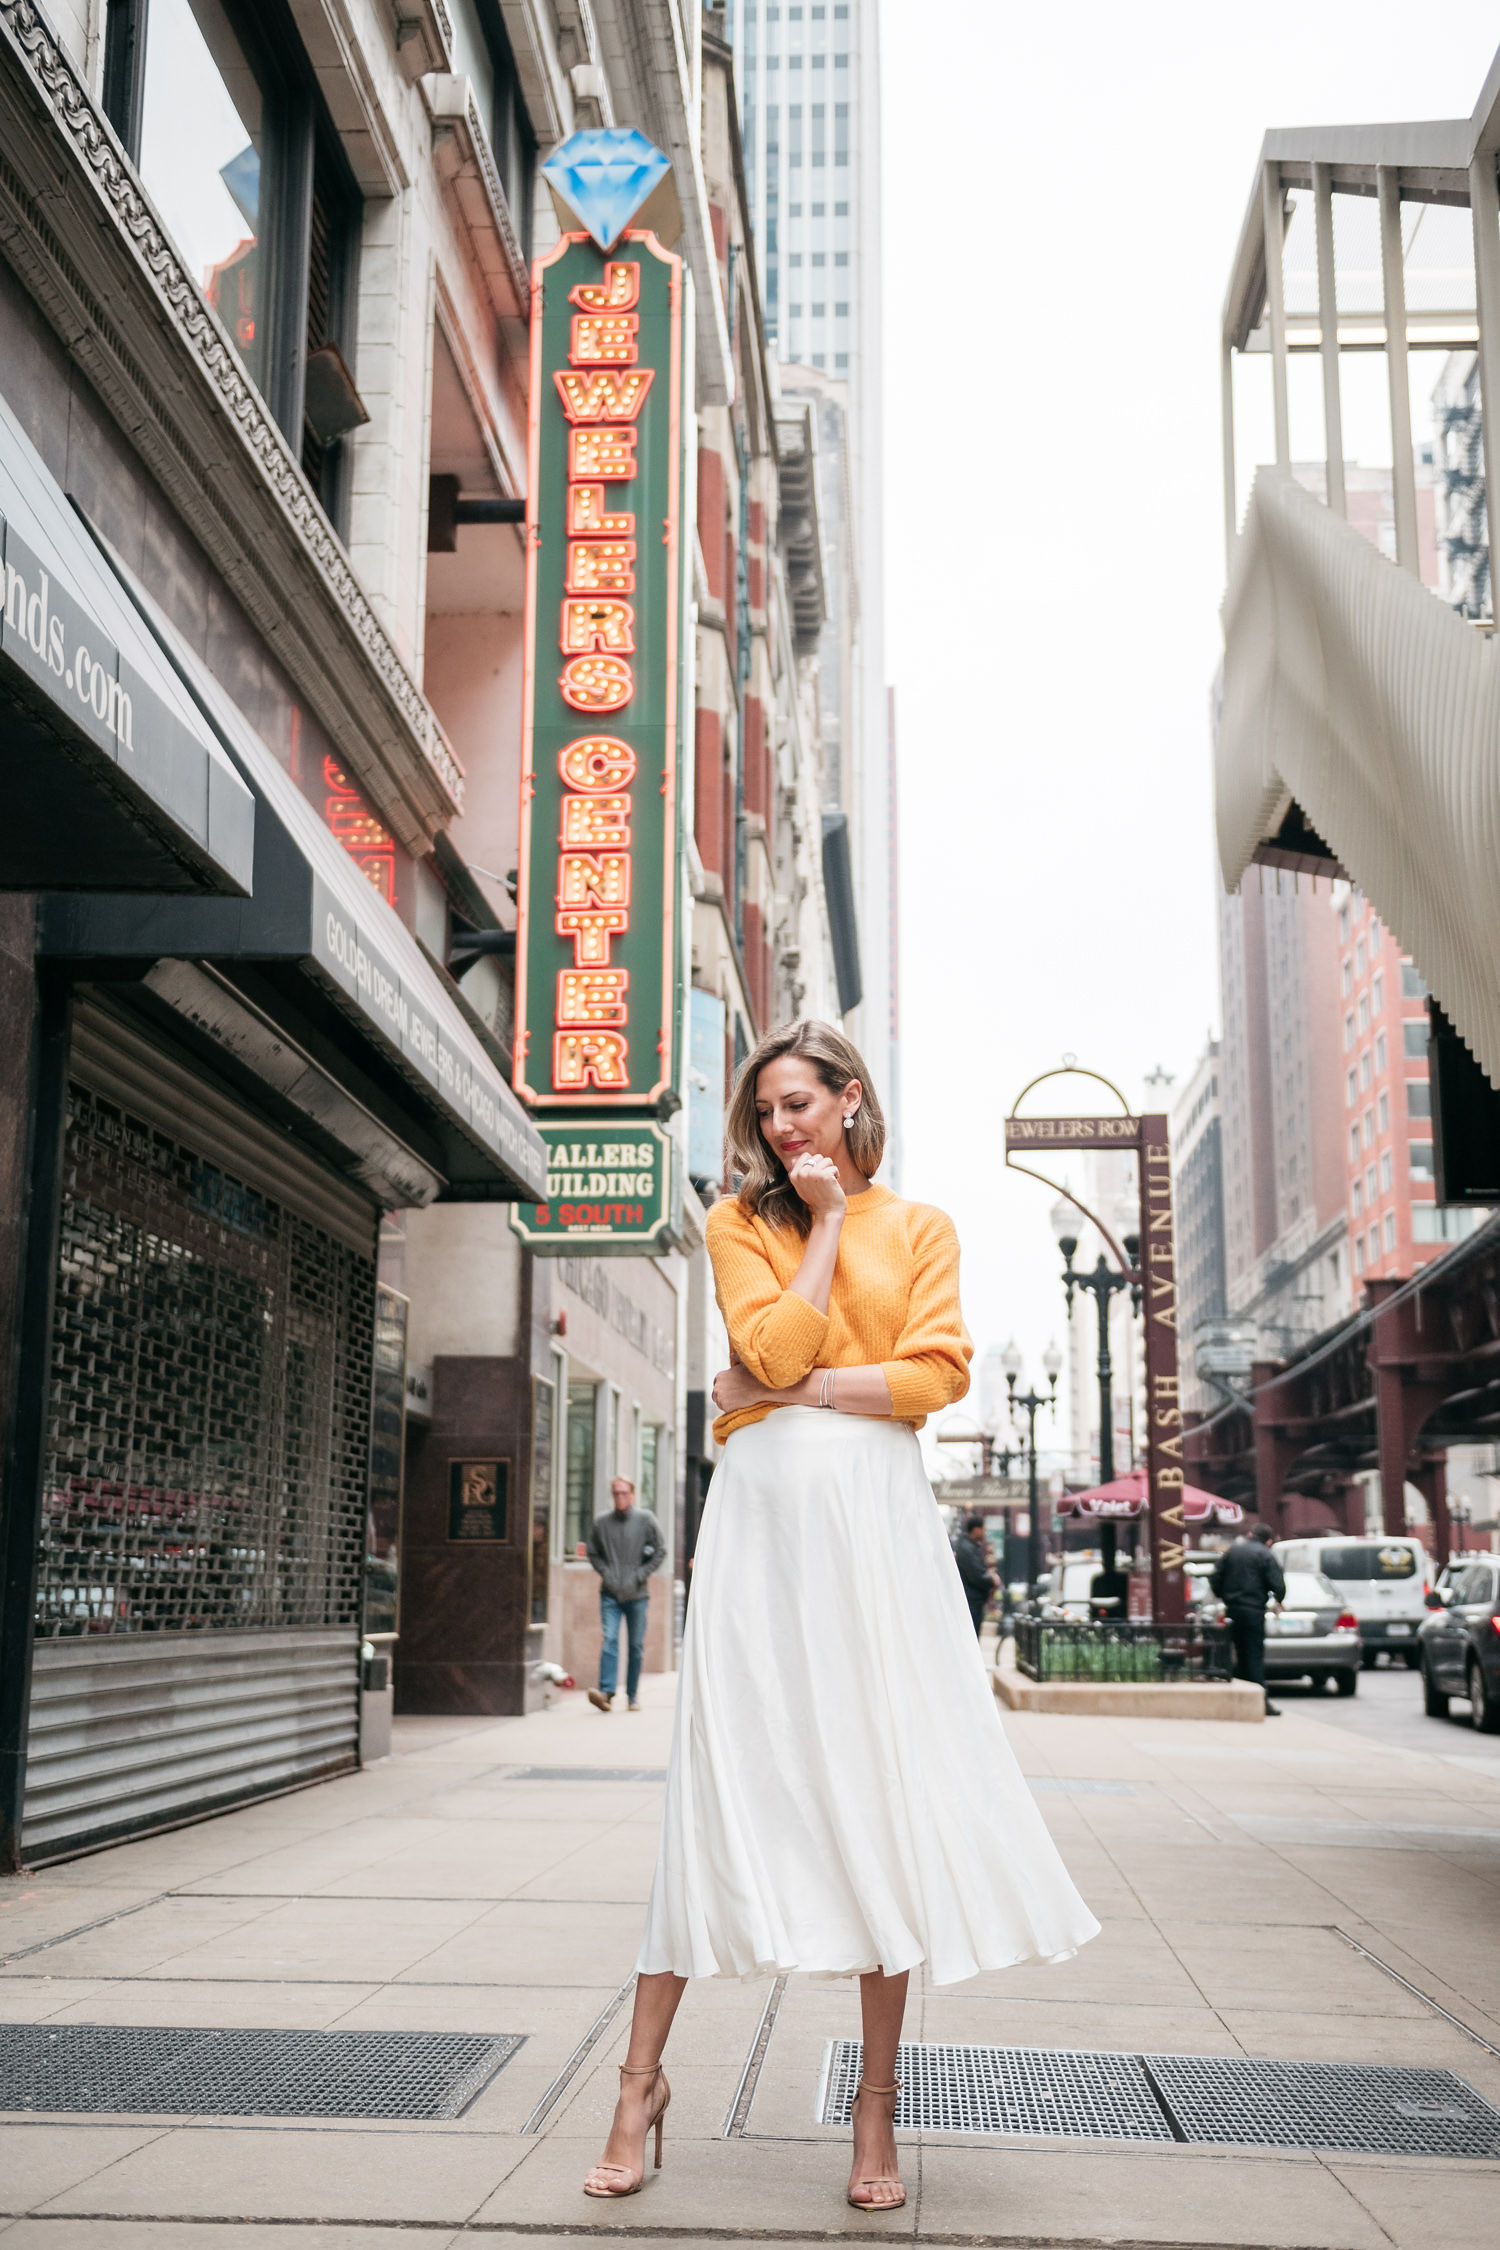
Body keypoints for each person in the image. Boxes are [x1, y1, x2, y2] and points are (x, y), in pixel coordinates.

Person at [583, 1021, 1099, 2210]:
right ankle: (637, 2082)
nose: (783, 1127)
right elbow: (768, 1336)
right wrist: (815, 1229)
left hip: (876, 1524)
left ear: (851, 1102)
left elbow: (931, 1377)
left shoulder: (921, 1229)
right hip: (763, 1523)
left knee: (877, 1796)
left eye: (802, 1105)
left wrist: (787, 1387)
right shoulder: (739, 1223)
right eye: (768, 1111)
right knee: (716, 1791)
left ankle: (876, 2115)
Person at [586, 1477, 664, 1713]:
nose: (620, 1497)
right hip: (610, 1593)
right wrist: (606, 1573)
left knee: (635, 1645)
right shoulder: (602, 1522)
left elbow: (660, 1551)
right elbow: (593, 1552)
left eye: (624, 1493)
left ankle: (632, 1696)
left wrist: (641, 1574)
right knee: (609, 1639)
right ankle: (606, 1693)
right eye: (616, 1493)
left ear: (632, 1494)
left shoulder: (646, 1520)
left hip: (637, 1594)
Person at [1209, 1523, 1286, 1715]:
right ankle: (1260, 1702)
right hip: (1254, 1611)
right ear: (1268, 1541)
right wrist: (1278, 1599)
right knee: (1253, 1656)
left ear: (1251, 1534)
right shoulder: (1265, 1554)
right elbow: (1278, 1584)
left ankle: (1239, 1700)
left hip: (1233, 1610)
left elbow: (1215, 1578)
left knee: (1238, 1655)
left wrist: (1224, 1595)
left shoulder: (1232, 1551)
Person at [954, 1512, 999, 1634]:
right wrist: (992, 1580)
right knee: (972, 1634)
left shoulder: (968, 1547)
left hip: (971, 1600)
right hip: (971, 1601)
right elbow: (977, 1576)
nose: (984, 1532)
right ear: (976, 1530)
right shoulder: (968, 1549)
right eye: (983, 1529)